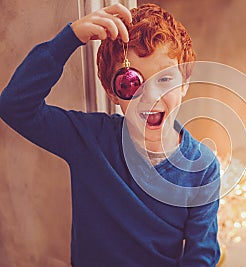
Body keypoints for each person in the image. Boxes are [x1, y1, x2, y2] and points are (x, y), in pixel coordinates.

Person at [0, 3, 220, 267]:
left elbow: (201, 256)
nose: (150, 98)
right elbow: (14, 105)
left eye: (164, 79)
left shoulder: (203, 168)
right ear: (113, 92)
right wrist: (70, 38)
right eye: (131, 82)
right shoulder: (88, 139)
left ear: (184, 84)